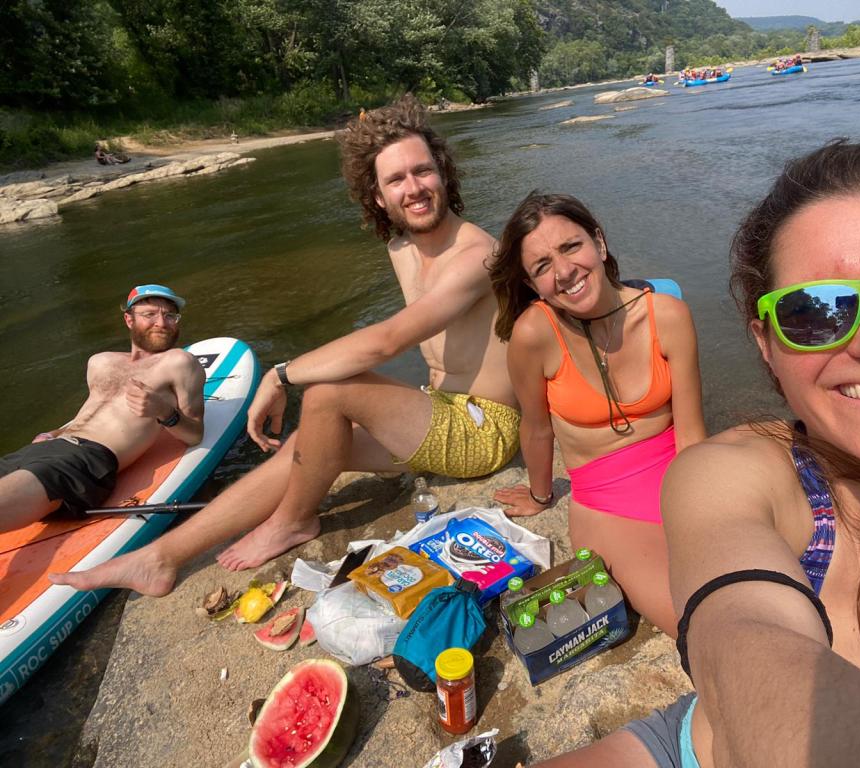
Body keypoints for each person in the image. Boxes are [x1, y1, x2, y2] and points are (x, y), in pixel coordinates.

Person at [530, 138, 860, 767]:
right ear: (765, 343)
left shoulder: (664, 313)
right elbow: (740, 628)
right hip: (695, 739)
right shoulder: (741, 471)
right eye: (816, 312)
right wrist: (541, 493)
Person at [51, 95, 520, 596]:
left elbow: (385, 341)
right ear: (379, 196)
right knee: (309, 442)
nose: (414, 188)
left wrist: (279, 375)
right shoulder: (400, 245)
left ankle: (294, 521)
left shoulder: (477, 255)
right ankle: (160, 558)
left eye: (423, 171)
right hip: (439, 409)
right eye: (396, 179)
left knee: (328, 394)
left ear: (443, 173)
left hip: (484, 431)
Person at [488, 192, 706, 635]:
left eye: (571, 247)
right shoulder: (534, 335)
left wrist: (702, 509)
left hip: (680, 470)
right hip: (606, 499)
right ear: (532, 283)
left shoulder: (668, 315)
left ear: (599, 243)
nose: (564, 271)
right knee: (696, 618)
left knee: (773, 573)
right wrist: (541, 495)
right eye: (542, 266)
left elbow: (691, 432)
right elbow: (537, 427)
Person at [1, 285, 204, 532]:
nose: (161, 322)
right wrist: (52, 433)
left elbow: (194, 434)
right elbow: (90, 416)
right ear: (129, 320)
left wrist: (164, 411)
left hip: (85, 461)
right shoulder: (100, 361)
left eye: (170, 315)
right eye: (150, 314)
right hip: (42, 449)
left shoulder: (179, 362)